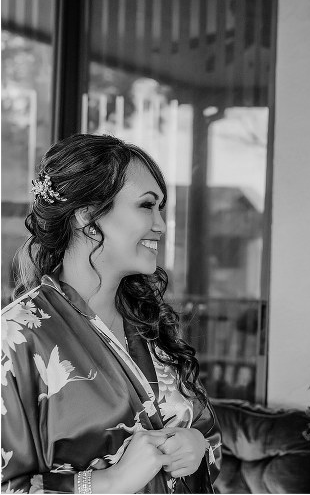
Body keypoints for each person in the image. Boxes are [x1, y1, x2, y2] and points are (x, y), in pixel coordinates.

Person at [1, 134, 221, 493]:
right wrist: (110, 481)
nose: (161, 225)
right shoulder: (15, 339)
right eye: (146, 206)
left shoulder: (152, 324)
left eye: (161, 208)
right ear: (88, 216)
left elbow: (209, 434)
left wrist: (199, 445)